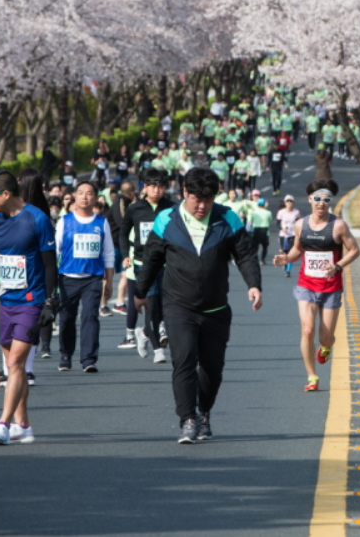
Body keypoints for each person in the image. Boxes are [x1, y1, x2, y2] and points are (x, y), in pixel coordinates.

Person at [135, 167, 261, 444]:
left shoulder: (227, 218)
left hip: (216, 309)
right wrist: (140, 291)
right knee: (184, 361)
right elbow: (152, 258)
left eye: (208, 199)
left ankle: (204, 413)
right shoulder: (166, 220)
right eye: (196, 199)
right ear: (184, 193)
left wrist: (254, 284)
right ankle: (187, 420)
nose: (202, 205)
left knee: (213, 368)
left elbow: (246, 255)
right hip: (179, 307)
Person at [0, 168, 57, 446]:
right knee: (16, 367)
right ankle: (23, 425)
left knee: (14, 364)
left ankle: (3, 424)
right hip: (5, 301)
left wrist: (50, 301)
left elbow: (50, 264)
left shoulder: (37, 219)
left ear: (6, 194)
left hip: (31, 301)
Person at [273, 179, 360, 392]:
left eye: (326, 199)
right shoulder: (300, 224)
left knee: (325, 336)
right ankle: (312, 376)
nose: (321, 203)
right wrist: (286, 260)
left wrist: (337, 266)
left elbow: (354, 250)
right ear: (310, 200)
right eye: (318, 199)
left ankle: (327, 345)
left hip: (331, 287)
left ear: (330, 202)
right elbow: (296, 250)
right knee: (307, 329)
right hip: (306, 285)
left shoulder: (338, 225)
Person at [54, 180, 114, 372]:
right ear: (75, 196)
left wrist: (109, 281)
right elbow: (56, 251)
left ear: (95, 197)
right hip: (67, 279)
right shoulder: (65, 221)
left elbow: (109, 253)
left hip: (93, 279)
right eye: (80, 193)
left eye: (89, 193)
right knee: (66, 319)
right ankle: (65, 354)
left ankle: (88, 359)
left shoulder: (101, 223)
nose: (85, 196)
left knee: (90, 317)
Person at [121, 169, 176, 363]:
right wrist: (126, 255)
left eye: (160, 186)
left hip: (167, 264)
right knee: (151, 306)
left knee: (163, 306)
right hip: (142, 265)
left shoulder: (172, 208)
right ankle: (158, 349)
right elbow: (123, 232)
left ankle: (144, 332)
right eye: (152, 186)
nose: (156, 190)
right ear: (145, 187)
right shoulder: (135, 209)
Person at [107, 181, 135, 319]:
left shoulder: (122, 202)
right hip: (115, 246)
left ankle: (120, 302)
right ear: (132, 193)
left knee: (126, 274)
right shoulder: (120, 204)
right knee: (108, 278)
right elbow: (122, 223)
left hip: (120, 245)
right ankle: (104, 304)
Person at [276, 196, 302, 278]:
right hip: (283, 235)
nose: (289, 203)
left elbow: (299, 222)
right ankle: (285, 264)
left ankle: (288, 271)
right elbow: (277, 223)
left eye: (291, 201)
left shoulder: (296, 212)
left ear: (293, 203)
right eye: (287, 201)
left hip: (293, 235)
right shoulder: (281, 212)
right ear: (285, 202)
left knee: (291, 252)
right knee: (284, 252)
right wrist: (282, 228)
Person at [248, 198, 272, 264]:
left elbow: (251, 220)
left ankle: (255, 260)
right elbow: (270, 219)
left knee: (255, 246)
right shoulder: (268, 212)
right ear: (264, 204)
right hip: (265, 230)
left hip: (256, 230)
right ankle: (262, 260)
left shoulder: (254, 212)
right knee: (265, 246)